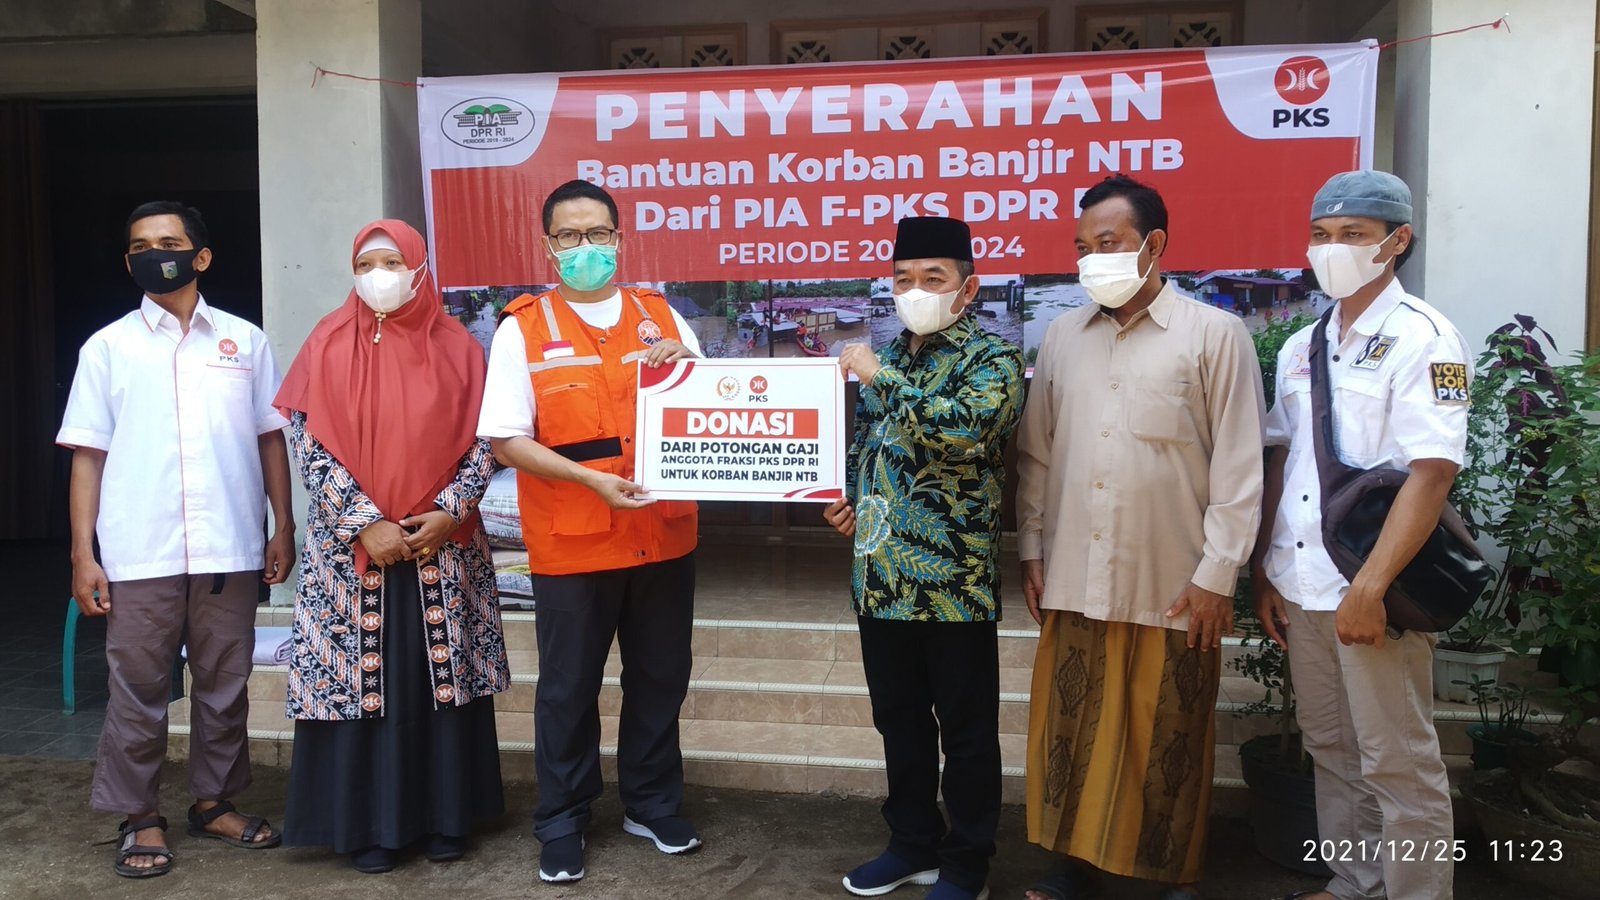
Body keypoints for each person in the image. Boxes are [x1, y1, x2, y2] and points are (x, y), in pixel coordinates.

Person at [1015, 175, 1266, 900]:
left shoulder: (1215, 335)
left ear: (1153, 245)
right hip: (1074, 573)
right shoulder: (1062, 338)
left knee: (1168, 732)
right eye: (1082, 247)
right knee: (1071, 725)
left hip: (1175, 582)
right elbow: (1036, 455)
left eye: (1109, 243)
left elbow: (1240, 466)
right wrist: (1031, 550)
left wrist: (1219, 574)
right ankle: (1069, 867)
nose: (1091, 259)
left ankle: (1169, 872)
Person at [58, 201, 296, 879]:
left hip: (229, 545)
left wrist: (283, 524)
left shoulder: (244, 342)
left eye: (168, 242)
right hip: (140, 549)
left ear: (201, 257)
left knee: (224, 682)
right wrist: (83, 553)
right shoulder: (107, 348)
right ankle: (140, 815)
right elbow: (88, 456)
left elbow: (269, 438)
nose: (153, 254)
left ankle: (213, 802)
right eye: (139, 245)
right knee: (137, 688)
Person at [478, 179, 705, 883]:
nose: (586, 247)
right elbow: (506, 440)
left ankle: (651, 803)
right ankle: (563, 818)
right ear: (549, 247)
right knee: (569, 689)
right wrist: (589, 481)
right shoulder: (522, 327)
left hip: (663, 534)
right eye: (570, 236)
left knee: (661, 676)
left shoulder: (661, 315)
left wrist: (687, 367)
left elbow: (713, 406)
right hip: (574, 540)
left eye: (598, 234)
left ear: (620, 239)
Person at [1253, 170, 1466, 900]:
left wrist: (1371, 588)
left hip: (1375, 586)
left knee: (1398, 761)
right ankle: (1354, 881)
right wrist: (1265, 571)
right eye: (1321, 234)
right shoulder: (1301, 345)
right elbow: (1284, 460)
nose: (1332, 248)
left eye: (1353, 234)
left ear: (1396, 241)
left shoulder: (1425, 338)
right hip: (1303, 582)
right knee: (1332, 747)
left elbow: (1432, 474)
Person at [275, 220, 509, 873]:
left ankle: (446, 819)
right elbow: (307, 443)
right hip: (352, 557)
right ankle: (367, 826)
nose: (379, 275)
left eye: (392, 262)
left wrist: (447, 511)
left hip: (444, 548)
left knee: (439, 679)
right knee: (362, 682)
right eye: (366, 264)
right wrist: (363, 523)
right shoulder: (325, 342)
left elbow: (488, 438)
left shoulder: (460, 347)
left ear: (419, 268)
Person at [823, 216, 1025, 900]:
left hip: (953, 583)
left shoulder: (992, 360)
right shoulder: (891, 357)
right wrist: (849, 501)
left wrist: (879, 376)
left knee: (966, 731)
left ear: (968, 288)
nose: (915, 291)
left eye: (933, 278)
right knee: (899, 722)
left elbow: (966, 432)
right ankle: (911, 842)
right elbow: (864, 444)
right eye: (903, 278)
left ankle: (967, 862)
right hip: (880, 578)